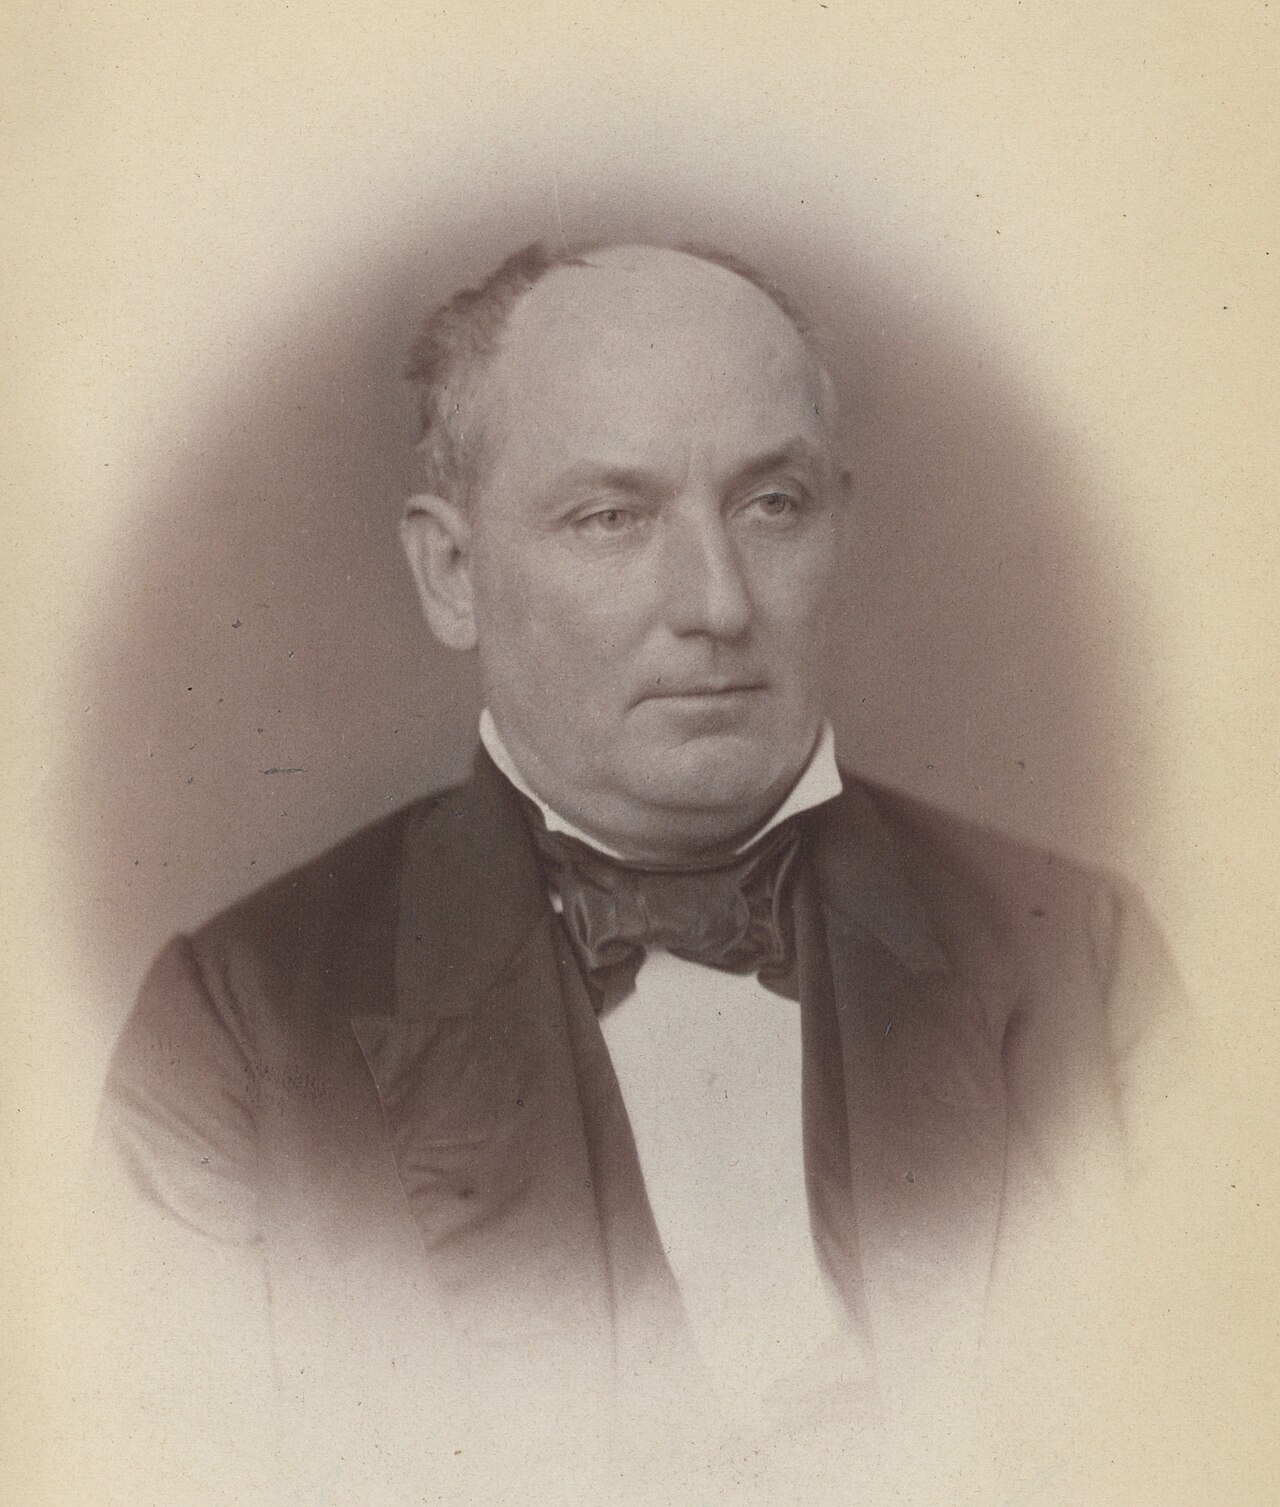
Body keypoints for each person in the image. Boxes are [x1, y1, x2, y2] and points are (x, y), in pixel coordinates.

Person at [92, 240, 1189, 1504]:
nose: (715, 602)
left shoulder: (1083, 961)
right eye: (609, 518)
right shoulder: (237, 1031)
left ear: (836, 524)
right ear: (452, 573)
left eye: (769, 505)